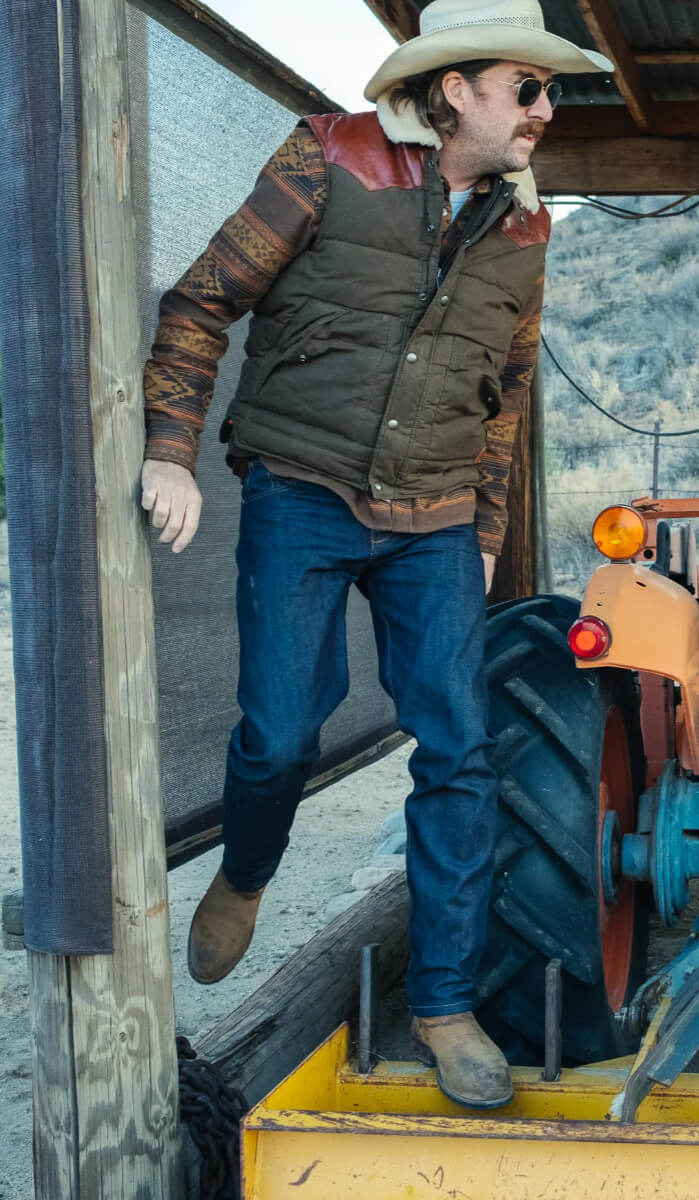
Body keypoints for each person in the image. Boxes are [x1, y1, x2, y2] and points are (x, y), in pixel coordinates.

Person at [139, 0, 611, 1109]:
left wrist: (483, 538)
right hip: (302, 490)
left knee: (459, 751)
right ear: (454, 89)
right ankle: (248, 873)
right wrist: (169, 452)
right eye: (527, 87)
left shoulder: (528, 231)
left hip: (437, 518)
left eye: (553, 91)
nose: (547, 110)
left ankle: (445, 1005)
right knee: (279, 731)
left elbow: (507, 403)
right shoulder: (328, 158)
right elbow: (202, 303)